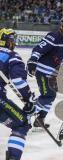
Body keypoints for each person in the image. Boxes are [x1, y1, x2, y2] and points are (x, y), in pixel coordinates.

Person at [0, 28, 35, 160]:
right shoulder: (12, 55)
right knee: (22, 124)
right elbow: (18, 81)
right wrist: (28, 99)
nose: (14, 43)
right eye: (12, 40)